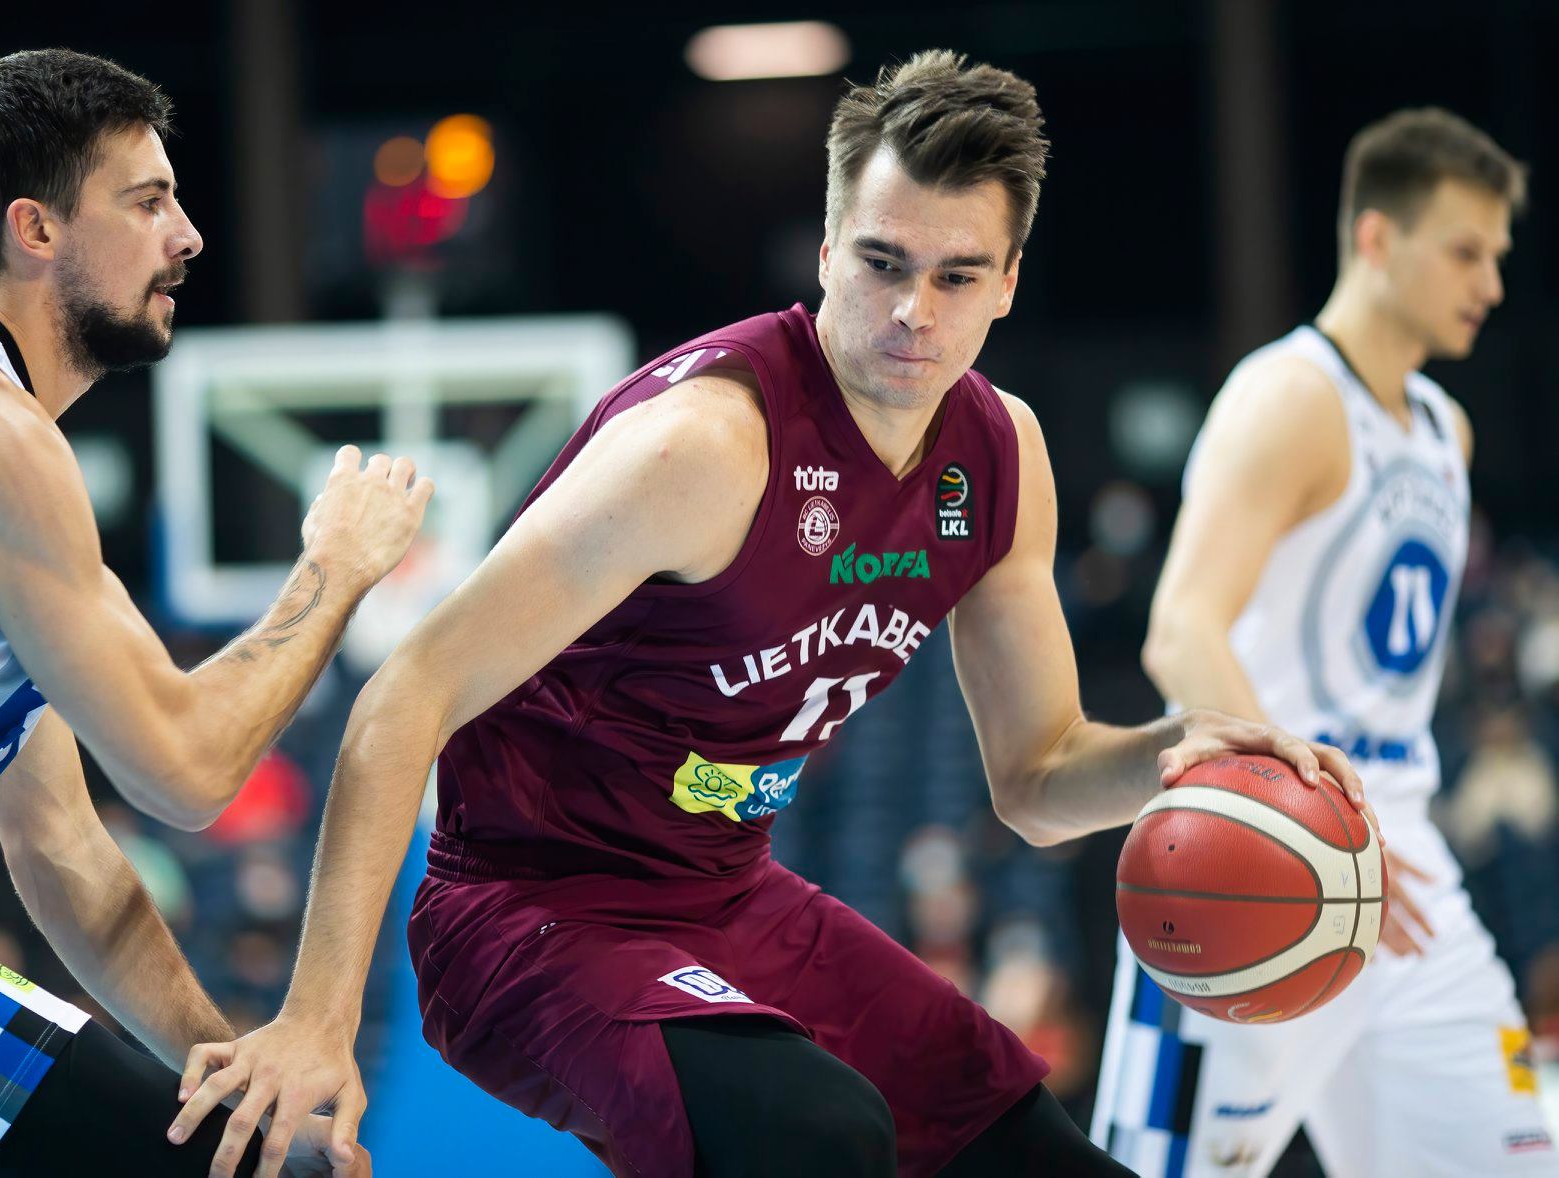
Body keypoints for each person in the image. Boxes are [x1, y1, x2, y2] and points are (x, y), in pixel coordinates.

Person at [172, 51, 1363, 1178]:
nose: (913, 311)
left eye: (955, 276)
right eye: (883, 263)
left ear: (1006, 281)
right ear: (829, 250)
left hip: (727, 897)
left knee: (1023, 1145)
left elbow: (1038, 777)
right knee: (818, 1132)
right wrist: (315, 1019)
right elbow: (407, 689)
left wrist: (1172, 757)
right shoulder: (704, 446)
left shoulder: (1001, 456)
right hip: (525, 910)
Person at [0, 48, 428, 1176]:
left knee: (249, 1157)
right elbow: (184, 771)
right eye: (147, 202)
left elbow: (65, 853)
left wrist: (236, 1084)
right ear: (36, 229)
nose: (187, 236)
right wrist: (332, 570)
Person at [1091, 108, 1556, 1175]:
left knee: (1517, 1157)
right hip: (1254, 849)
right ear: (1377, 237)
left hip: (1407, 862)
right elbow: (1179, 628)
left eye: (1498, 256)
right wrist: (1316, 825)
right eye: (1465, 251)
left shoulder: (1444, 428)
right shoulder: (1289, 395)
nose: (1490, 284)